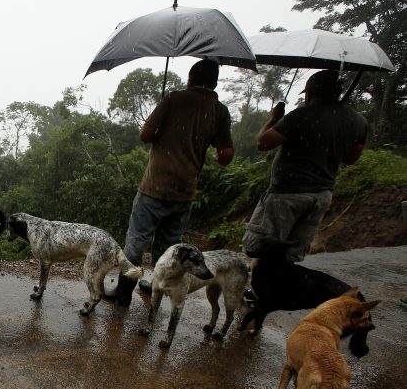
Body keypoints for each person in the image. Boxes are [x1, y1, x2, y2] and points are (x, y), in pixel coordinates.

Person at [104, 58, 234, 306]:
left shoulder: (174, 99)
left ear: (190, 79)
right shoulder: (220, 111)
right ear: (214, 82)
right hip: (185, 192)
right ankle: (154, 287)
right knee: (168, 247)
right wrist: (211, 149)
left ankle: (123, 293)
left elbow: (145, 135)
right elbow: (226, 155)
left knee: (136, 242)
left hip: (155, 187)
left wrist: (165, 126)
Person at [242, 69, 368, 263]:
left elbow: (263, 143)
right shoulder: (358, 121)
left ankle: (263, 290)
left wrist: (274, 118)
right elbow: (350, 159)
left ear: (311, 92)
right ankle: (285, 287)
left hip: (286, 194)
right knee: (293, 250)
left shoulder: (300, 116)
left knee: (264, 246)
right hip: (321, 195)